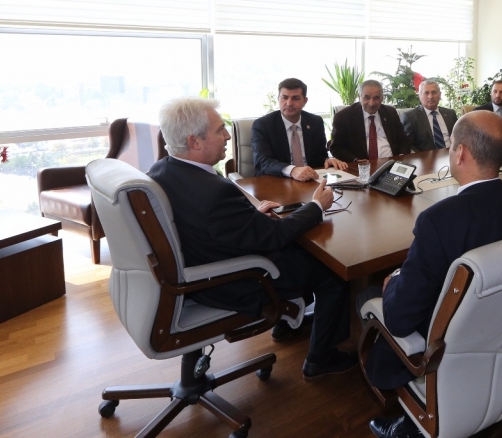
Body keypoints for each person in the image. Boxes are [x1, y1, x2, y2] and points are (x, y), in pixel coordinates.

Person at [364, 111, 502, 438]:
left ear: (461, 152)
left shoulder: (439, 220)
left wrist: (393, 280)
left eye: (451, 145)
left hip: (454, 342)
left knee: (368, 297)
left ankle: (414, 422)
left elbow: (399, 319)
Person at [148, 97, 357, 380]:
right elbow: (275, 236)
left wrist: (247, 217)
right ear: (194, 142)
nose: (227, 136)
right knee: (333, 272)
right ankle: (321, 358)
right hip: (231, 280)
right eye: (220, 130)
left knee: (304, 251)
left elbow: (208, 220)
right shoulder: (213, 191)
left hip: (201, 262)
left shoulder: (162, 169)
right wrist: (317, 206)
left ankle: (288, 324)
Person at [251, 78, 347, 180]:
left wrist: (327, 160)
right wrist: (292, 170)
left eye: (295, 98)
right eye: (284, 97)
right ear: (278, 98)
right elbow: (262, 161)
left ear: (305, 101)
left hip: (310, 179)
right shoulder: (263, 125)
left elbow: (320, 154)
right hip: (276, 181)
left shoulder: (315, 122)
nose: (289, 103)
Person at [329, 80, 410, 162]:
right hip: (361, 165)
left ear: (382, 98)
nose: (371, 103)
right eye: (367, 97)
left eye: (376, 98)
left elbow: (403, 139)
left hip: (392, 162)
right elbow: (336, 147)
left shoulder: (390, 112)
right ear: (359, 97)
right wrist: (355, 160)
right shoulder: (343, 117)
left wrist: (401, 158)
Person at [401, 79, 458, 152]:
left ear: (440, 95)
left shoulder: (450, 113)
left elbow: (459, 137)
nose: (430, 96)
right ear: (420, 96)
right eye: (426, 93)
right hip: (426, 157)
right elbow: (407, 144)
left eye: (434, 92)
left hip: (451, 154)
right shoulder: (410, 117)